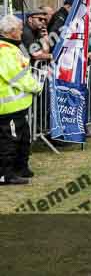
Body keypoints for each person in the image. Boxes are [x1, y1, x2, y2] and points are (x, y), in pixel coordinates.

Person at [0, 15, 43, 184]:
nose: (21, 32)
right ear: (11, 32)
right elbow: (17, 76)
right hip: (8, 108)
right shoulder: (4, 51)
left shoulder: (11, 48)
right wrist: (36, 86)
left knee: (23, 139)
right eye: (18, 29)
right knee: (9, 142)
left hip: (17, 107)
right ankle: (5, 174)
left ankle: (20, 168)